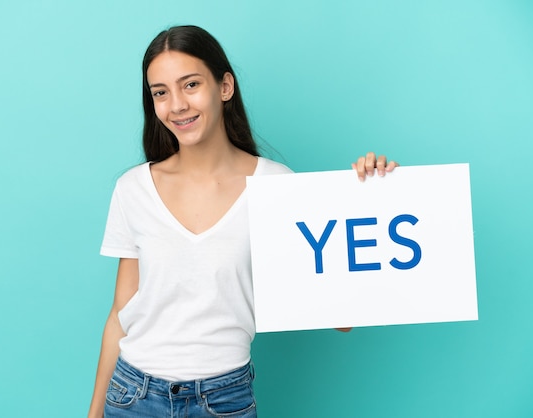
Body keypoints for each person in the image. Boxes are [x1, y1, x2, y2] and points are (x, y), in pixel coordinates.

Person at [88, 25, 398, 418]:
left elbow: (341, 321)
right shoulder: (133, 189)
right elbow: (121, 312)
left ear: (225, 87)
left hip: (224, 400)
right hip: (132, 396)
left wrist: (376, 195)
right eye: (160, 92)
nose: (177, 104)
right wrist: (95, 411)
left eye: (191, 84)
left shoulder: (275, 185)